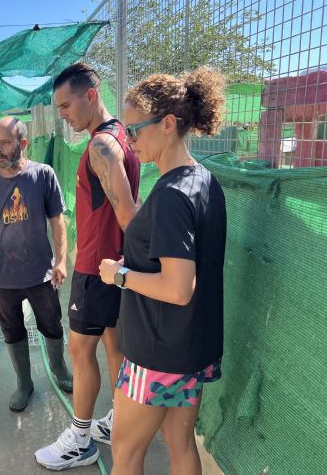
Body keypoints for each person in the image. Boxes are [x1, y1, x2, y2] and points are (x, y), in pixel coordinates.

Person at [99, 66, 227, 475]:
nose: (127, 141)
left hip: (157, 351)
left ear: (168, 124)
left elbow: (177, 287)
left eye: (134, 130)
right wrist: (134, 265)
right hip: (189, 345)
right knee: (179, 442)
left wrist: (119, 276)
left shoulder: (171, 194)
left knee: (125, 450)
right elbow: (179, 262)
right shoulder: (204, 181)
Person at [35, 63, 140, 470]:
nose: (63, 114)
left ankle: (81, 440)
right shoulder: (122, 140)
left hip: (98, 270)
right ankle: (116, 421)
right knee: (114, 346)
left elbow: (129, 214)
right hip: (113, 268)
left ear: (91, 96)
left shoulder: (102, 146)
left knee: (80, 350)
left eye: (66, 105)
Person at [0, 116, 73, 412]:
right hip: (3, 278)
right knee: (13, 332)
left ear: (22, 144)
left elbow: (57, 221)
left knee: (51, 325)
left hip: (40, 274)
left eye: (6, 142)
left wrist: (61, 261)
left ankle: (59, 370)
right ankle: (24, 383)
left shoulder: (42, 175)